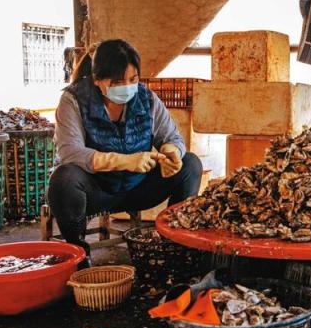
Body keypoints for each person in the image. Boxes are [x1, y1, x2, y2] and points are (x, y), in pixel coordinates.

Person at [49, 39, 202, 263]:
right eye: (118, 81)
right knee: (64, 178)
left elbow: (172, 137)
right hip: (96, 192)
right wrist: (124, 161)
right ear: (98, 80)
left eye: (133, 79)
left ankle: (175, 245)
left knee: (191, 164)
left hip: (138, 188)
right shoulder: (73, 100)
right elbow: (71, 153)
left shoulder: (146, 98)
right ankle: (79, 256)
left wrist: (172, 153)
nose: (128, 87)